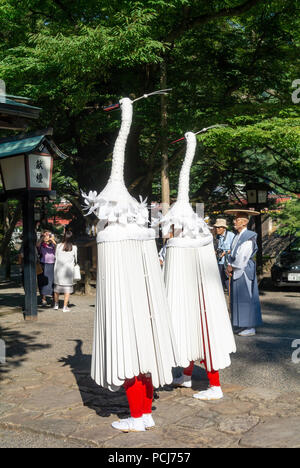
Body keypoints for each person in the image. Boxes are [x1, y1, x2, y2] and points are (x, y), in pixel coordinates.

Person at [82, 94, 179, 433]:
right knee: (145, 357)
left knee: (132, 358)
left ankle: (138, 416)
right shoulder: (138, 231)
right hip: (145, 307)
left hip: (128, 307)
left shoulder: (116, 232)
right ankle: (144, 412)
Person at [158, 131, 236, 401]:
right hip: (184, 291)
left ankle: (215, 386)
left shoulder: (198, 236)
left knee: (203, 330)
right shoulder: (182, 236)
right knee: (183, 326)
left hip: (201, 295)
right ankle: (187, 374)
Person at [224, 209, 263, 337]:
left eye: (238, 219)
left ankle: (250, 326)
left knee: (246, 297)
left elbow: (242, 256)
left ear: (245, 222)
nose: (234, 222)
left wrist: (232, 267)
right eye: (235, 219)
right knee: (239, 297)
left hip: (244, 269)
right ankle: (242, 324)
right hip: (237, 268)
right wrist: (229, 265)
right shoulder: (237, 236)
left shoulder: (249, 236)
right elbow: (234, 253)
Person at [53, 230, 78, 313]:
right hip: (68, 272)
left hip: (58, 270)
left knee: (57, 288)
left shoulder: (58, 246)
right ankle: (64, 307)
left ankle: (56, 305)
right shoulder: (74, 247)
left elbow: (55, 257)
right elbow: (76, 259)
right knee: (67, 290)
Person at [214, 218, 235, 290]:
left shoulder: (231, 235)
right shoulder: (217, 237)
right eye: (216, 227)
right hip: (219, 262)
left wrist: (225, 253)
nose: (217, 229)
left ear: (224, 228)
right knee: (219, 282)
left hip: (227, 262)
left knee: (228, 282)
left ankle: (231, 298)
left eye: (219, 227)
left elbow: (234, 249)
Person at [37, 231, 56, 306]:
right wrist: (42, 237)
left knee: (53, 283)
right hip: (43, 265)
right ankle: (43, 299)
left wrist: (52, 239)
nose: (47, 236)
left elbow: (57, 247)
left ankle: (54, 299)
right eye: (45, 235)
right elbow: (37, 245)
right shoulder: (41, 244)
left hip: (52, 265)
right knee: (43, 282)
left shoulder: (52, 245)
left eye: (48, 235)